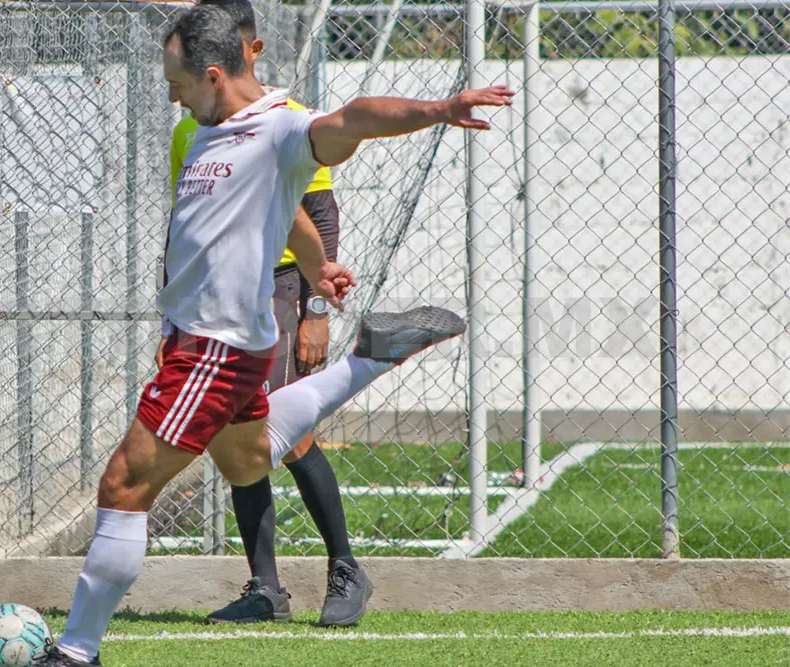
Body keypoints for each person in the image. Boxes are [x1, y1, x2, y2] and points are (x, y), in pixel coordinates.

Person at [36, 5, 513, 665]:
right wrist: (316, 264)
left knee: (123, 483)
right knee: (247, 460)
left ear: (211, 74)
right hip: (201, 340)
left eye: (175, 79)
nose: (169, 92)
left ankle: (76, 650)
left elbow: (353, 117)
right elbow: (276, 206)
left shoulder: (281, 125)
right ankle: (369, 358)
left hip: (217, 346)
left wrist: (437, 108)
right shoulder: (209, 127)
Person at [165, 0, 368, 628]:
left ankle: (345, 568)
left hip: (280, 285)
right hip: (217, 302)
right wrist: (173, 323)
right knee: (237, 435)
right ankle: (266, 589)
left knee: (281, 430)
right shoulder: (189, 130)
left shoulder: (287, 122)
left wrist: (313, 308)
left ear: (244, 52)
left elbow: (320, 213)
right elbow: (185, 234)